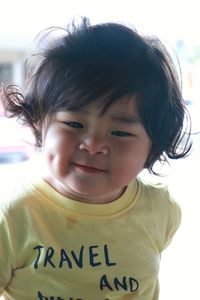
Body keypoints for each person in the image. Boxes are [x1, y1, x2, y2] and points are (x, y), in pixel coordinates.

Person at [0, 17, 191, 300]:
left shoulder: (161, 210)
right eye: (75, 124)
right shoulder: (14, 217)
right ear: (40, 123)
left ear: (153, 147)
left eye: (120, 132)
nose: (93, 145)